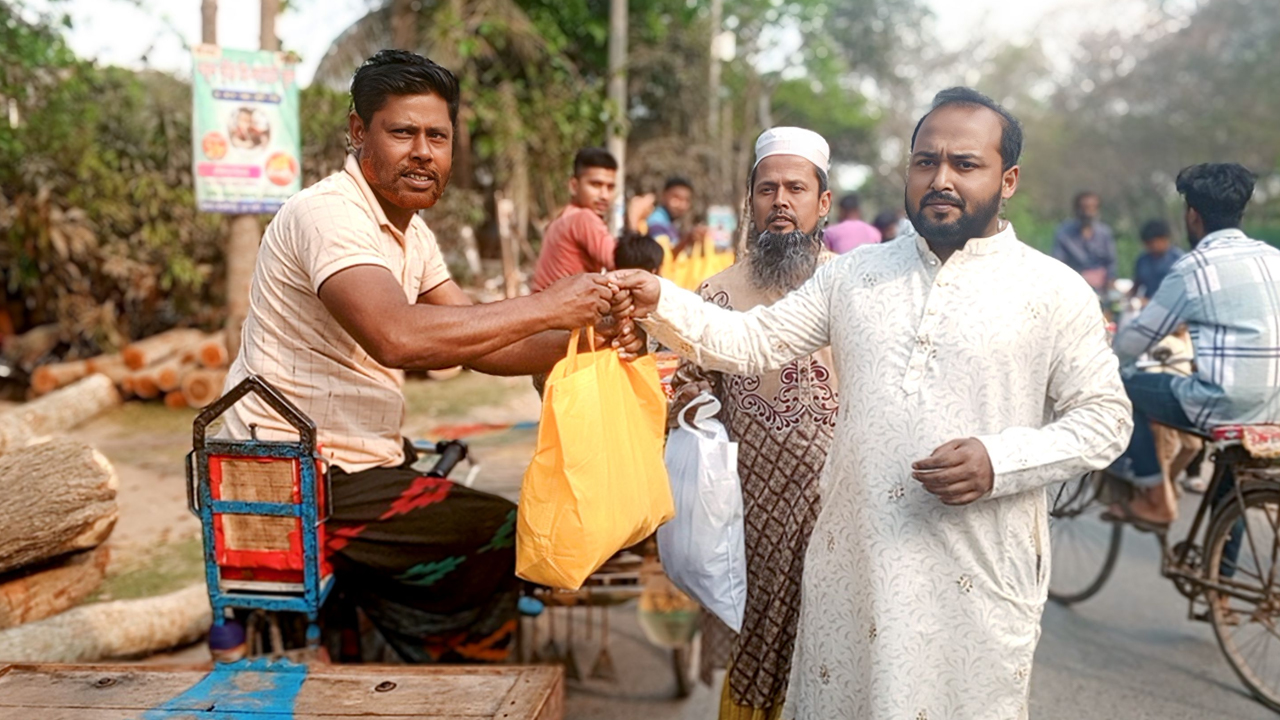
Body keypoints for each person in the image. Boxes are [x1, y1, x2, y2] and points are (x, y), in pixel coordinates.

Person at [608, 87, 1131, 719]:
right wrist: (655, 297)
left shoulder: (1053, 291)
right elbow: (749, 340)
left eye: (965, 164)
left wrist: (1002, 461)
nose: (941, 179)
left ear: (1008, 178)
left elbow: (1106, 419)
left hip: (976, 579)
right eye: (925, 162)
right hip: (851, 573)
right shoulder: (853, 276)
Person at [217, 50, 638, 664]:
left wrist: (594, 338)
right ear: (359, 132)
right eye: (402, 132)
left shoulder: (411, 232)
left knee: (487, 513)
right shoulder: (329, 214)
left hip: (350, 464)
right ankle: (445, 658)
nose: (423, 151)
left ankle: (411, 638)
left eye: (437, 136)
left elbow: (484, 341)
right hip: (296, 471)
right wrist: (552, 307)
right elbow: (400, 337)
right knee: (501, 530)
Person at [668, 127, 839, 720]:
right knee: (757, 664)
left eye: (796, 188)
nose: (781, 201)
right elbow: (687, 398)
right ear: (750, 202)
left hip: (837, 518)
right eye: (767, 189)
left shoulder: (853, 287)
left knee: (833, 661)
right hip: (749, 523)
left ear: (824, 203)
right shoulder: (712, 296)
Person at [1108, 163, 1280, 536]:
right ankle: (1223, 579)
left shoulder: (1194, 267)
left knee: (1121, 384)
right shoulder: (1274, 258)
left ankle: (1155, 495)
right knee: (1231, 471)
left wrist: (1109, 359)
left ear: (1193, 215)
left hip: (1227, 404)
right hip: (1276, 406)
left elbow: (1135, 341)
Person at [531, 148, 653, 291]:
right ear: (574, 186)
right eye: (596, 185)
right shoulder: (583, 218)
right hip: (562, 310)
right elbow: (629, 269)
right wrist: (634, 219)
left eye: (610, 187)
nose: (604, 195)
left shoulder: (565, 216)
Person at [1052, 190, 1117, 294]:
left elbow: (1111, 263)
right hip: (1073, 287)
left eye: (1092, 208)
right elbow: (1058, 264)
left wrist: (1109, 283)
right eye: (1084, 208)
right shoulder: (1064, 234)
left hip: (1101, 289)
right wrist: (1081, 277)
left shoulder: (1104, 233)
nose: (1088, 213)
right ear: (1076, 209)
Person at [1130, 218, 1184, 303]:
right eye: (1147, 244)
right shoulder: (1142, 260)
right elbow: (1136, 285)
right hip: (1147, 308)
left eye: (1153, 242)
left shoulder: (1179, 260)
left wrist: (1149, 302)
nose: (1151, 247)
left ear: (1165, 239)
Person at [647, 176, 694, 252]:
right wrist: (688, 239)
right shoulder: (656, 222)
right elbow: (663, 254)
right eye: (676, 198)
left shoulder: (672, 223)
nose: (681, 205)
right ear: (664, 196)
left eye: (686, 200)